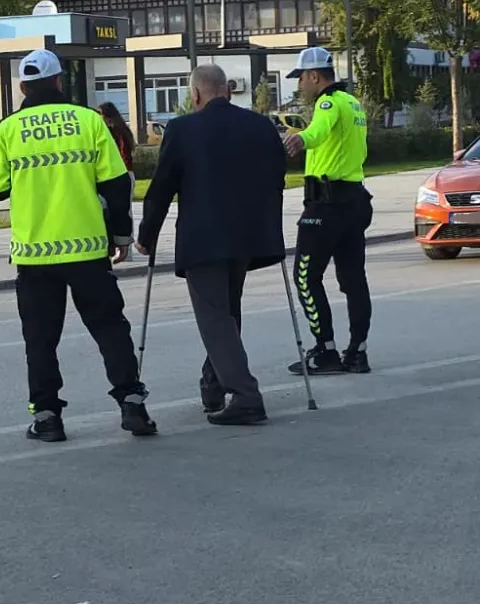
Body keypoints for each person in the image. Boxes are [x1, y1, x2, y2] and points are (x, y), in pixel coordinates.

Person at [0, 48, 156, 443]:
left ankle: (46, 417)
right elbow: (116, 183)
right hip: (88, 250)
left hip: (34, 254)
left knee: (40, 339)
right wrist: (121, 236)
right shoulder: (89, 121)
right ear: (60, 81)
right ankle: (131, 401)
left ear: (23, 86)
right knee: (110, 329)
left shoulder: (7, 129)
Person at [137, 64, 285, 425]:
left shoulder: (183, 129)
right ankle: (213, 385)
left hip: (203, 239)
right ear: (228, 90)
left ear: (195, 95)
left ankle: (246, 394)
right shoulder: (260, 125)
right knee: (228, 313)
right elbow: (277, 175)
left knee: (215, 318)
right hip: (248, 237)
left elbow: (162, 187)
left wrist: (146, 235)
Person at [282, 46, 373, 376]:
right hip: (355, 201)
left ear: (314, 76)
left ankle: (325, 351)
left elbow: (318, 132)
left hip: (326, 205)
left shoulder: (327, 102)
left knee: (305, 277)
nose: (299, 86)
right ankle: (358, 351)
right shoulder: (353, 103)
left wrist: (300, 139)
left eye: (301, 79)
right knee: (353, 279)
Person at [98, 102, 136, 178]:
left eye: (100, 114)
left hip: (122, 172)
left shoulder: (118, 131)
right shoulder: (116, 130)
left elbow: (124, 152)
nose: (98, 116)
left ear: (107, 116)